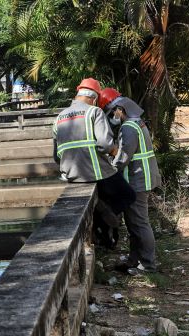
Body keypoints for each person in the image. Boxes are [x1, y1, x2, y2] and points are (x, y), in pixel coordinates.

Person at [52, 78, 135, 247]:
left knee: (103, 198)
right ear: (94, 98)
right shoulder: (94, 112)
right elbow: (105, 145)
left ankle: (101, 226)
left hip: (71, 174)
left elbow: (56, 156)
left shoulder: (58, 118)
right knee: (128, 195)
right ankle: (103, 215)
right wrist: (115, 152)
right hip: (96, 171)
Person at [97, 88, 162, 274]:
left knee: (140, 223)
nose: (112, 117)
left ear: (120, 109)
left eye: (112, 113)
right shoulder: (136, 123)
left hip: (138, 180)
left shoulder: (128, 128)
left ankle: (148, 265)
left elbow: (123, 157)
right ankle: (134, 260)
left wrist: (108, 169)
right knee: (133, 223)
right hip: (142, 178)